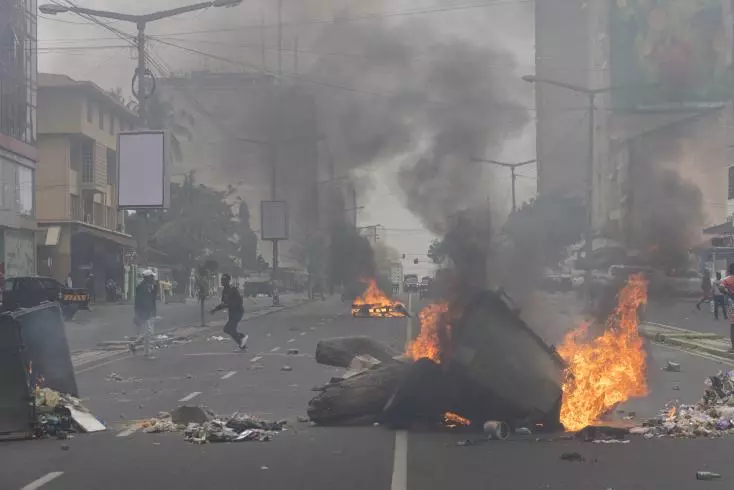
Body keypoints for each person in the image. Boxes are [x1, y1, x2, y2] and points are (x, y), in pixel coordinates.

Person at [210, 273, 247, 350]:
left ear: (228, 281)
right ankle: (242, 343)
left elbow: (240, 301)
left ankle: (242, 338)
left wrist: (230, 304)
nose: (222, 282)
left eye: (224, 280)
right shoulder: (224, 291)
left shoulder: (233, 289)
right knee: (228, 329)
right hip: (232, 313)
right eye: (221, 280)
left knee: (229, 328)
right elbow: (224, 303)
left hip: (238, 312)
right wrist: (215, 309)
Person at [134, 269, 158, 357]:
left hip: (150, 312)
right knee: (148, 332)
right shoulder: (142, 287)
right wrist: (138, 314)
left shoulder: (150, 286)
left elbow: (153, 299)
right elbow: (140, 302)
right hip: (145, 313)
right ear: (148, 278)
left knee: (149, 332)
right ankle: (147, 352)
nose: (153, 278)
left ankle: (136, 344)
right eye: (152, 277)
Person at [718, 264, 734, 352]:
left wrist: (728, 293)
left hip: (732, 303)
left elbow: (721, 287)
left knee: (733, 325)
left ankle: (733, 347)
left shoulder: (726, 279)